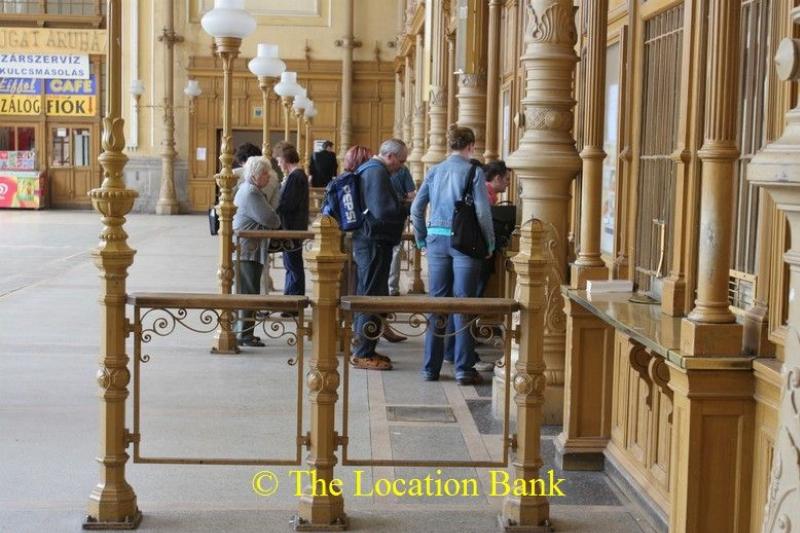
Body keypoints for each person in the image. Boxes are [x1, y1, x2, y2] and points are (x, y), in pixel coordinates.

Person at [411, 125, 495, 385]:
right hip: (464, 242)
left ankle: (430, 369)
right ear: (471, 146)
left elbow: (416, 208)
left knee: (438, 304)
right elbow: (482, 211)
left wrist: (421, 238)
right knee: (464, 304)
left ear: (449, 145)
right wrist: (489, 243)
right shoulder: (474, 171)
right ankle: (463, 369)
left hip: (436, 239)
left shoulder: (434, 171)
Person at [351, 139, 409, 370]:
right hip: (373, 242)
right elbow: (383, 210)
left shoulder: (370, 169)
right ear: (391, 157)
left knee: (370, 292)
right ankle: (363, 352)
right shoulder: (377, 172)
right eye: (401, 161)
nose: (401, 167)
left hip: (370, 241)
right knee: (371, 295)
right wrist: (406, 206)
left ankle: (365, 346)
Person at [233, 156, 281, 347]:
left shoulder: (250, 190)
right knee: (248, 291)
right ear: (254, 175)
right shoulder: (251, 192)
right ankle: (244, 334)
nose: (268, 177)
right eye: (265, 174)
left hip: (249, 247)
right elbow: (271, 219)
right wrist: (273, 216)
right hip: (248, 249)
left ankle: (245, 331)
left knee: (249, 289)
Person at [274, 142, 309, 303]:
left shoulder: (296, 177)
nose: (278, 164)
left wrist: (274, 205)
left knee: (293, 265)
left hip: (292, 227)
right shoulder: (297, 176)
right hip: (294, 225)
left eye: (279, 160)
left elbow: (287, 204)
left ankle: (293, 302)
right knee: (292, 264)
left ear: (285, 159)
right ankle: (291, 298)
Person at [387, 165, 416, 298]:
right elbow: (411, 194)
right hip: (398, 213)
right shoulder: (402, 169)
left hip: (376, 214)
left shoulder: (375, 169)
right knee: (396, 249)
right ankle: (392, 287)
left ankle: (380, 285)